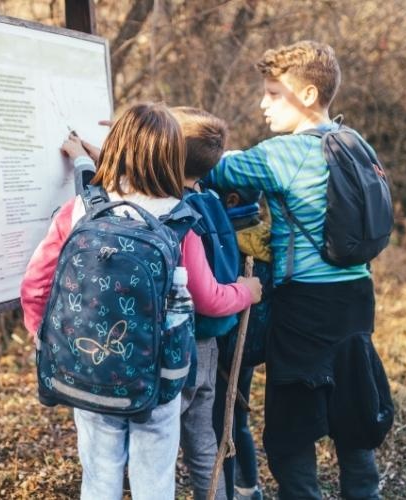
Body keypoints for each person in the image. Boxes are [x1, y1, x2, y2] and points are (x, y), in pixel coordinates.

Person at [20, 102, 261, 500]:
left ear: (114, 150)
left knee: (99, 473)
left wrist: (42, 334)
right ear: (172, 158)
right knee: (154, 478)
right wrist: (246, 291)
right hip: (158, 374)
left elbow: (35, 284)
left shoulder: (80, 209)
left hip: (92, 366)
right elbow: (204, 296)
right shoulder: (180, 218)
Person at [204, 41, 385, 499]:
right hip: (357, 298)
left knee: (290, 439)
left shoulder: (281, 154)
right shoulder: (354, 142)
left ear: (306, 95)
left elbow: (212, 172)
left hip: (305, 307)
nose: (263, 104)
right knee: (353, 420)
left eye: (272, 93)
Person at [166, 106, 252, 500]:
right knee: (203, 443)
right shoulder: (210, 198)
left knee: (160, 445)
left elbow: (205, 295)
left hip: (176, 347)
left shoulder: (172, 210)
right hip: (209, 345)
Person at [212, 185, 272, 500]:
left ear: (232, 200)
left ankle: (232, 493)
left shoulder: (227, 241)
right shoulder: (266, 238)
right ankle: (250, 489)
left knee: (221, 427)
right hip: (250, 346)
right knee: (238, 421)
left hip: (225, 346)